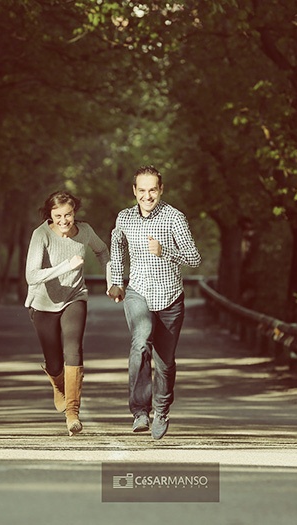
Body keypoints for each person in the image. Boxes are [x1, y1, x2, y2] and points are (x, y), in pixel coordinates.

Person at [107, 165, 201, 440]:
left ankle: (161, 411)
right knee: (140, 342)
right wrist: (116, 281)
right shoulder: (124, 218)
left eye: (153, 190)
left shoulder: (174, 218)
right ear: (134, 191)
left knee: (164, 362)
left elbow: (194, 258)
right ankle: (139, 411)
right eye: (142, 190)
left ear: (160, 190)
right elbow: (117, 246)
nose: (147, 196)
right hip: (138, 292)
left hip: (170, 296)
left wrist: (165, 251)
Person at [25, 190, 110, 436]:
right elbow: (31, 276)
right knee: (53, 362)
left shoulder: (84, 232)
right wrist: (65, 266)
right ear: (50, 215)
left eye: (69, 214)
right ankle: (58, 385)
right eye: (58, 215)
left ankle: (73, 413)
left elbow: (102, 251)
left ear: (75, 213)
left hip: (75, 296)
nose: (64, 220)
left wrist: (111, 279)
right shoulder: (41, 235)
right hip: (43, 303)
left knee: (73, 348)